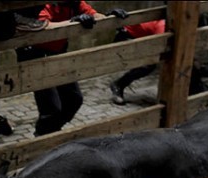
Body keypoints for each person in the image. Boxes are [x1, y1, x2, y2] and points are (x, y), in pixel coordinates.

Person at [18, 1, 128, 136]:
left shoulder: (74, 3)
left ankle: (50, 133)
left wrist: (110, 17)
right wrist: (72, 22)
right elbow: (43, 26)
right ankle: (42, 138)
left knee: (74, 99)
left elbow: (93, 15)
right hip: (36, 57)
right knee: (51, 108)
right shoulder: (45, 5)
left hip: (58, 55)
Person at [109, 20, 208, 105]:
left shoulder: (178, 29)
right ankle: (118, 85)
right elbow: (162, 51)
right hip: (127, 38)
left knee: (187, 65)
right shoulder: (163, 28)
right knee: (149, 65)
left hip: (147, 40)